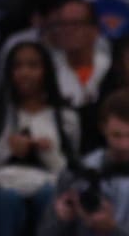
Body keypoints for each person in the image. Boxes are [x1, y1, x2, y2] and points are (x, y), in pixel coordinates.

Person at [0, 41, 80, 236]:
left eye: (33, 66)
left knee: (51, 198)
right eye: (18, 66)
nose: (25, 73)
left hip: (49, 185)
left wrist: (48, 152)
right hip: (2, 189)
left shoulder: (66, 118)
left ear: (46, 71)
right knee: (4, 200)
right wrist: (5, 149)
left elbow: (70, 175)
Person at [38, 89, 129, 235]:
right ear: (103, 128)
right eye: (116, 135)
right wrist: (60, 220)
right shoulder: (77, 173)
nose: (124, 145)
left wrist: (113, 230)